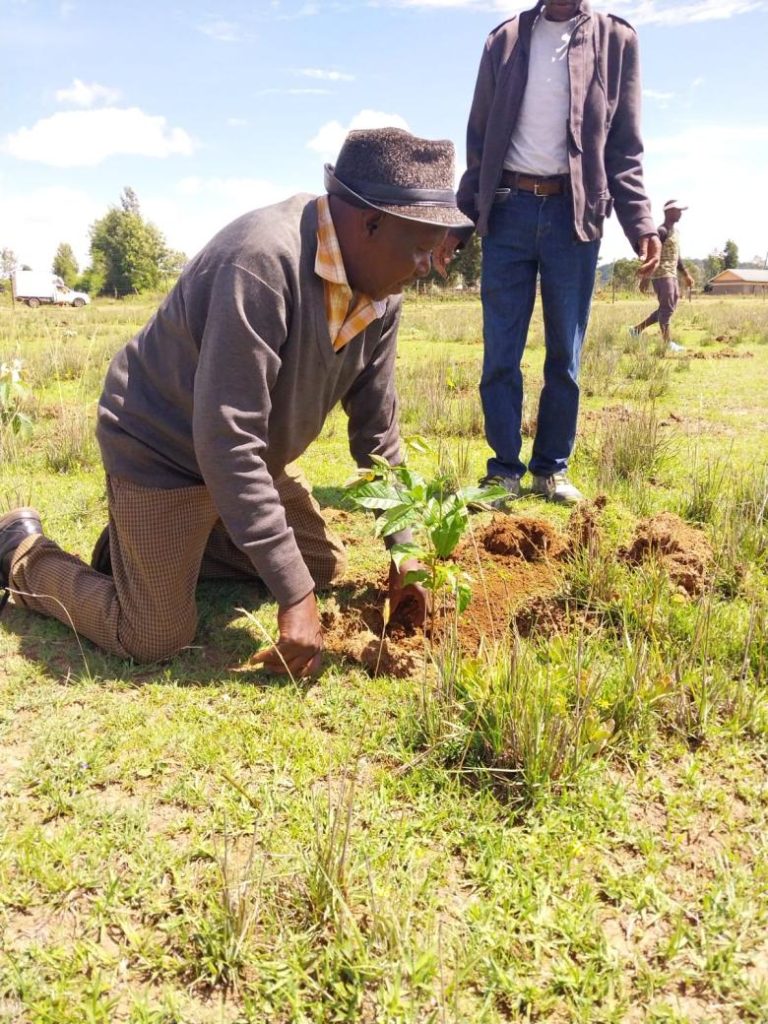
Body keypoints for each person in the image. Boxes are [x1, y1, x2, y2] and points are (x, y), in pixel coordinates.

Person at [0, 127, 473, 677]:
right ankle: (21, 551)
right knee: (153, 635)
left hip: (245, 461)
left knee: (321, 564)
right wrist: (294, 600)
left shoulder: (382, 297)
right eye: (420, 246)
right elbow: (227, 440)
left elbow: (376, 435)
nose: (427, 266)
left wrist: (406, 547)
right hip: (163, 454)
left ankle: (151, 547)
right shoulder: (261, 263)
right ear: (369, 223)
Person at [455, 0, 661, 505]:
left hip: (576, 216)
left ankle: (551, 469)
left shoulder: (617, 40)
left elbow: (625, 147)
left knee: (564, 356)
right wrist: (462, 218)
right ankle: (503, 470)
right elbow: (478, 141)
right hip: (508, 212)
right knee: (500, 353)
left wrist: (641, 223)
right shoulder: (502, 40)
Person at [630, 200, 694, 351]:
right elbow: (652, 253)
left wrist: (686, 275)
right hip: (661, 274)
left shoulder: (675, 232)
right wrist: (645, 277)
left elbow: (677, 257)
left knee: (669, 306)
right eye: (678, 210)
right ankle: (667, 343)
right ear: (668, 212)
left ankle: (636, 330)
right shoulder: (662, 231)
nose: (680, 213)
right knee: (667, 308)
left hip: (671, 274)